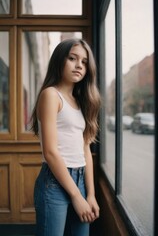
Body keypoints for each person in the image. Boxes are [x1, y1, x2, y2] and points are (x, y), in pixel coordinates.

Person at [31, 38, 101, 236]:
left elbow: (85, 150)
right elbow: (51, 152)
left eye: (84, 62)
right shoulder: (51, 95)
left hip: (80, 180)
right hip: (54, 182)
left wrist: (91, 195)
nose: (79, 65)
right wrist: (76, 196)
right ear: (59, 60)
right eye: (72, 58)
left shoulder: (81, 101)